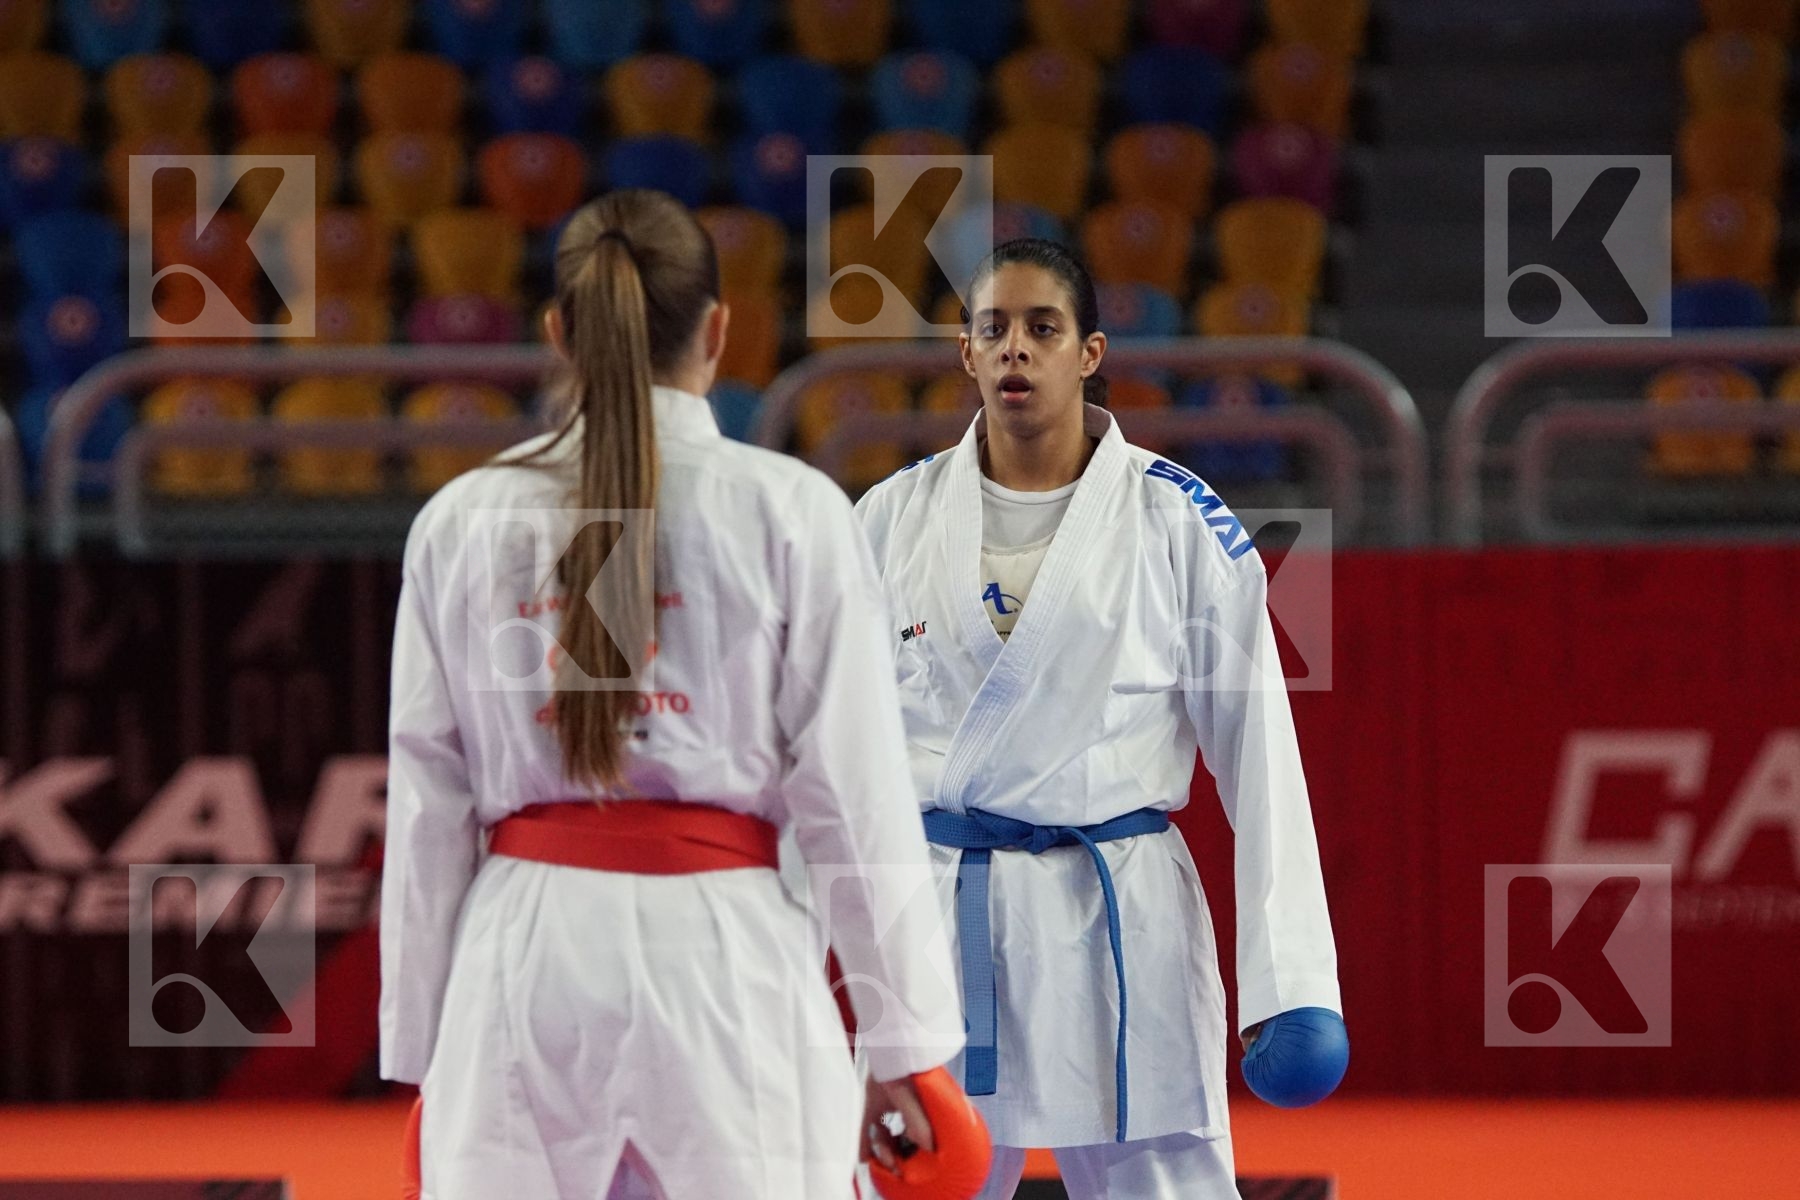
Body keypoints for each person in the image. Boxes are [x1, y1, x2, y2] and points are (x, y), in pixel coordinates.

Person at [379, 189, 966, 1199]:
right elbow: (854, 796)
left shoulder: (461, 520)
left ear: (558, 332)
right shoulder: (790, 510)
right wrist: (905, 1044)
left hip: (522, 958)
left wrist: (431, 1049)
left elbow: (429, 806)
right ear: (719, 332)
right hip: (726, 953)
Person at [853, 238, 1344, 1199]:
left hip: (1121, 915)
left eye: (1043, 328)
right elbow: (830, 757)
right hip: (941, 913)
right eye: (994, 328)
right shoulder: (888, 518)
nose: (1016, 349)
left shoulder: (1179, 520)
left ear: (1089, 353)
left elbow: (1260, 756)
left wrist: (1290, 980)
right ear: (965, 351)